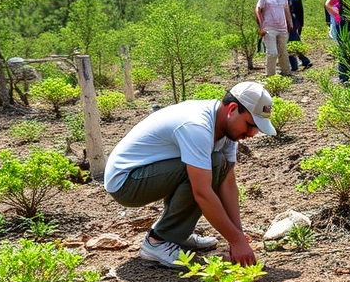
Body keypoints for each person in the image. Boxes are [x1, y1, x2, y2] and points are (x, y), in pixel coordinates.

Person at [103, 82, 276, 268]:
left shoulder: (227, 130)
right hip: (127, 182)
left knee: (216, 164)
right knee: (211, 164)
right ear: (233, 109)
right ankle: (158, 242)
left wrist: (238, 235)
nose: (252, 133)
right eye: (250, 124)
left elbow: (227, 183)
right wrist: (235, 241)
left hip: (151, 173)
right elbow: (202, 193)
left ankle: (177, 234)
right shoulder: (197, 126)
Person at [256, 0, 294, 77]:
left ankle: (286, 72)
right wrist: (261, 26)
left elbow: (286, 11)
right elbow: (258, 10)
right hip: (269, 28)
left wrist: (289, 23)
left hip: (282, 28)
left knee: (283, 51)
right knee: (272, 53)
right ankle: (271, 75)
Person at [284, 0, 313, 71]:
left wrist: (301, 25)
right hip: (285, 24)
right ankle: (302, 62)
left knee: (292, 44)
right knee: (292, 43)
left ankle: (297, 64)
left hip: (294, 23)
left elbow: (300, 12)